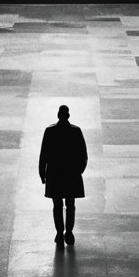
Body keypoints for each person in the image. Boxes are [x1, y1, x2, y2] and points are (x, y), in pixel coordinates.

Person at [39, 104, 88, 246]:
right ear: (68, 116)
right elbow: (83, 155)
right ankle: (69, 232)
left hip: (54, 174)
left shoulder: (50, 131)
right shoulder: (76, 131)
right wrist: (79, 171)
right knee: (70, 204)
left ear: (58, 115)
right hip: (71, 174)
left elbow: (44, 155)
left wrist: (42, 173)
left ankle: (59, 233)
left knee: (57, 204)